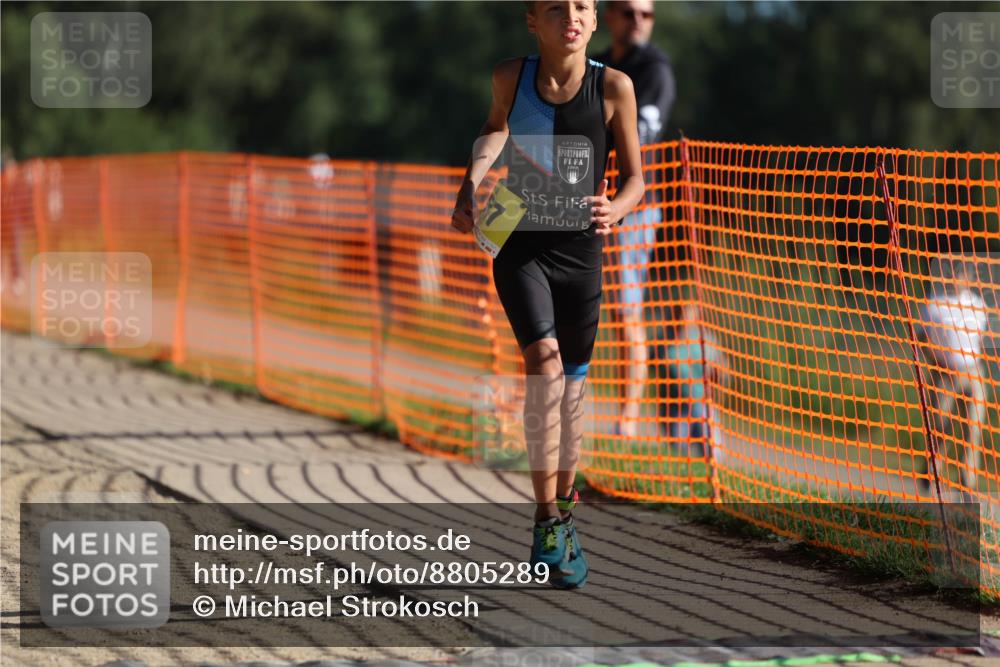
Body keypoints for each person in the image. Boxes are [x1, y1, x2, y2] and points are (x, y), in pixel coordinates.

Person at [451, 0, 644, 589]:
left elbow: (636, 178)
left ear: (592, 19)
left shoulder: (613, 87)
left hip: (581, 254)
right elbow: (494, 129)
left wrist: (617, 205)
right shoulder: (512, 75)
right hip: (521, 244)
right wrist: (473, 181)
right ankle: (543, 519)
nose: (574, 15)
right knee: (545, 365)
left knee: (572, 397)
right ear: (533, 19)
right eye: (558, 6)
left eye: (584, 6)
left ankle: (564, 508)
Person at [593, 0, 676, 437]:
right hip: (583, 198)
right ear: (609, 16)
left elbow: (640, 134)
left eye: (646, 14)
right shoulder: (598, 63)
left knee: (627, 310)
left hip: (633, 206)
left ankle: (627, 420)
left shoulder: (654, 70)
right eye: (629, 12)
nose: (638, 21)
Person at [916, 259, 990, 502]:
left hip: (972, 373)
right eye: (955, 274)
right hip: (944, 374)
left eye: (962, 275)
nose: (958, 278)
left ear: (968, 279)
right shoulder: (936, 304)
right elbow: (921, 337)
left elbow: (982, 340)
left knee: (972, 427)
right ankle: (931, 472)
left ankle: (966, 483)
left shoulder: (978, 306)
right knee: (940, 428)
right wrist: (934, 364)